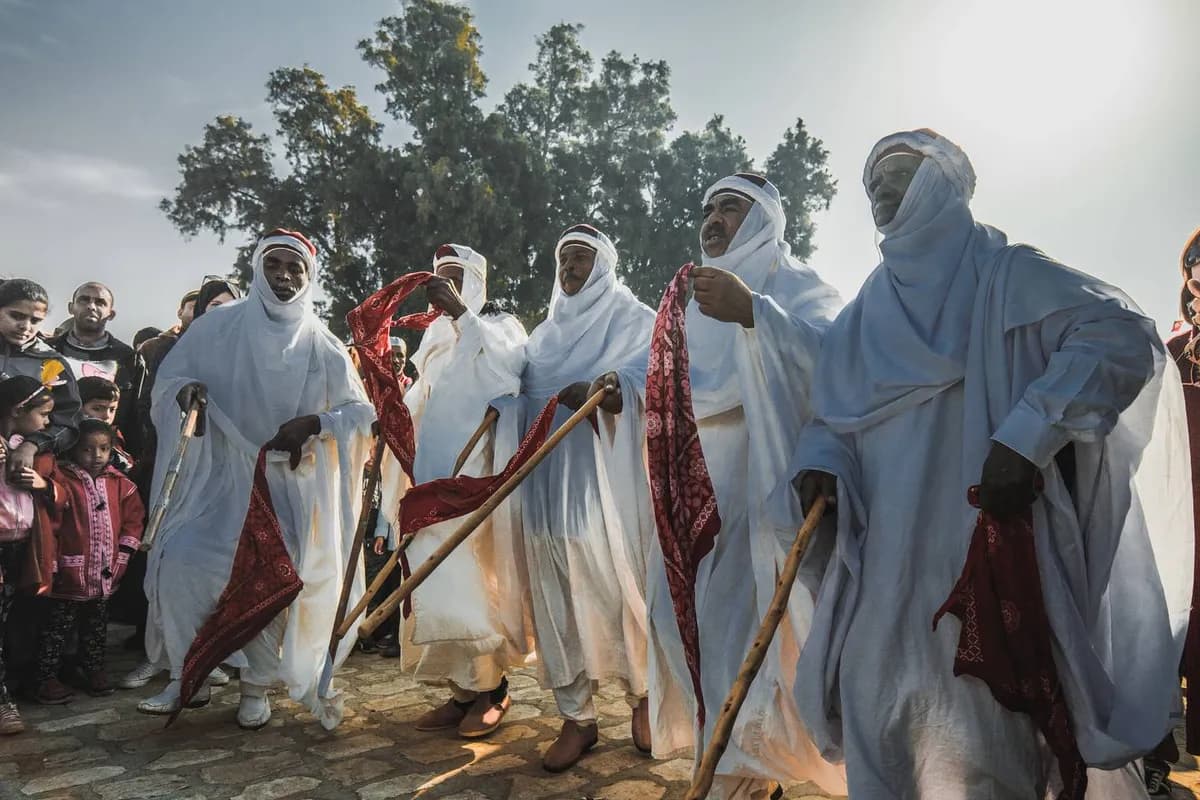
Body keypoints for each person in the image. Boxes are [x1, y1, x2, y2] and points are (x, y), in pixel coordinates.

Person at [790, 129, 1191, 798]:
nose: (883, 195)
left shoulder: (1008, 275)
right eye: (875, 188)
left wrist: (1026, 434)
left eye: (902, 178)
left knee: (985, 747)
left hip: (983, 561)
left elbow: (1120, 336)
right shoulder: (862, 314)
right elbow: (833, 421)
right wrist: (821, 465)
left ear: (945, 185)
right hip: (881, 573)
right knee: (878, 720)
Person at [639, 174, 845, 800]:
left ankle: (737, 782)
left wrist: (756, 313)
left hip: (761, 489)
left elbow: (838, 362)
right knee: (679, 624)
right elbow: (651, 369)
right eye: (708, 208)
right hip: (690, 493)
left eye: (731, 207)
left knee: (743, 639)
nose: (714, 219)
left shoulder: (798, 287)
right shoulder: (684, 300)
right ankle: (737, 768)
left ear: (765, 221)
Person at [138, 229, 375, 730]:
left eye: (296, 269)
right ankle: (188, 676)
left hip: (288, 486)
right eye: (275, 266)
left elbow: (359, 414)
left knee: (271, 579)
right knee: (183, 563)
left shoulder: (322, 343)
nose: (285, 277)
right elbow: (170, 382)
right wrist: (185, 394)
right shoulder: (214, 328)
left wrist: (315, 424)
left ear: (310, 278)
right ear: (257, 269)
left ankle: (255, 687)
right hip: (218, 482)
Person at [502, 224, 655, 771]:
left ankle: (643, 700)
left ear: (605, 264)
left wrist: (607, 387)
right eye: (564, 259)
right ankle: (578, 718)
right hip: (545, 489)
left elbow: (656, 374)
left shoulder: (633, 318)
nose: (570, 269)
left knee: (619, 591)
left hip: (605, 489)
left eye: (582, 259)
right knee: (556, 600)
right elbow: (521, 398)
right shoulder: (541, 337)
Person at [375, 244, 529, 738]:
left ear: (477, 281)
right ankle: (460, 692)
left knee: (470, 581)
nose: (445, 284)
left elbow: (508, 374)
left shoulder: (499, 323)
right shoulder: (435, 334)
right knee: (434, 580)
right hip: (430, 472)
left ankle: (492, 691)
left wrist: (465, 313)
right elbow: (426, 393)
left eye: (457, 276)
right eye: (440, 276)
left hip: (474, 473)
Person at [35, 418, 144, 704]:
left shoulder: (121, 485)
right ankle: (46, 677)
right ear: (73, 449)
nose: (96, 456)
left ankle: (93, 670)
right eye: (87, 449)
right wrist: (55, 563)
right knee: (57, 629)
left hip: (105, 574)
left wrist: (123, 555)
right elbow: (52, 525)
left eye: (103, 449)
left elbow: (134, 522)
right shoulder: (62, 481)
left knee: (96, 627)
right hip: (69, 575)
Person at [0, 375, 58, 734]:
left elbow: (58, 487)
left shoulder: (29, 446)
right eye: (43, 413)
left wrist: (42, 484)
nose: (48, 421)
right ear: (19, 410)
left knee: (16, 623)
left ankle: (15, 686)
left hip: (24, 546)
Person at [48, 283, 143, 458]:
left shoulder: (128, 358)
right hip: (53, 451)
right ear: (71, 307)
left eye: (100, 302)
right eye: (84, 300)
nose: (91, 306)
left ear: (111, 313)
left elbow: (137, 415)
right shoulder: (48, 351)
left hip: (103, 457)